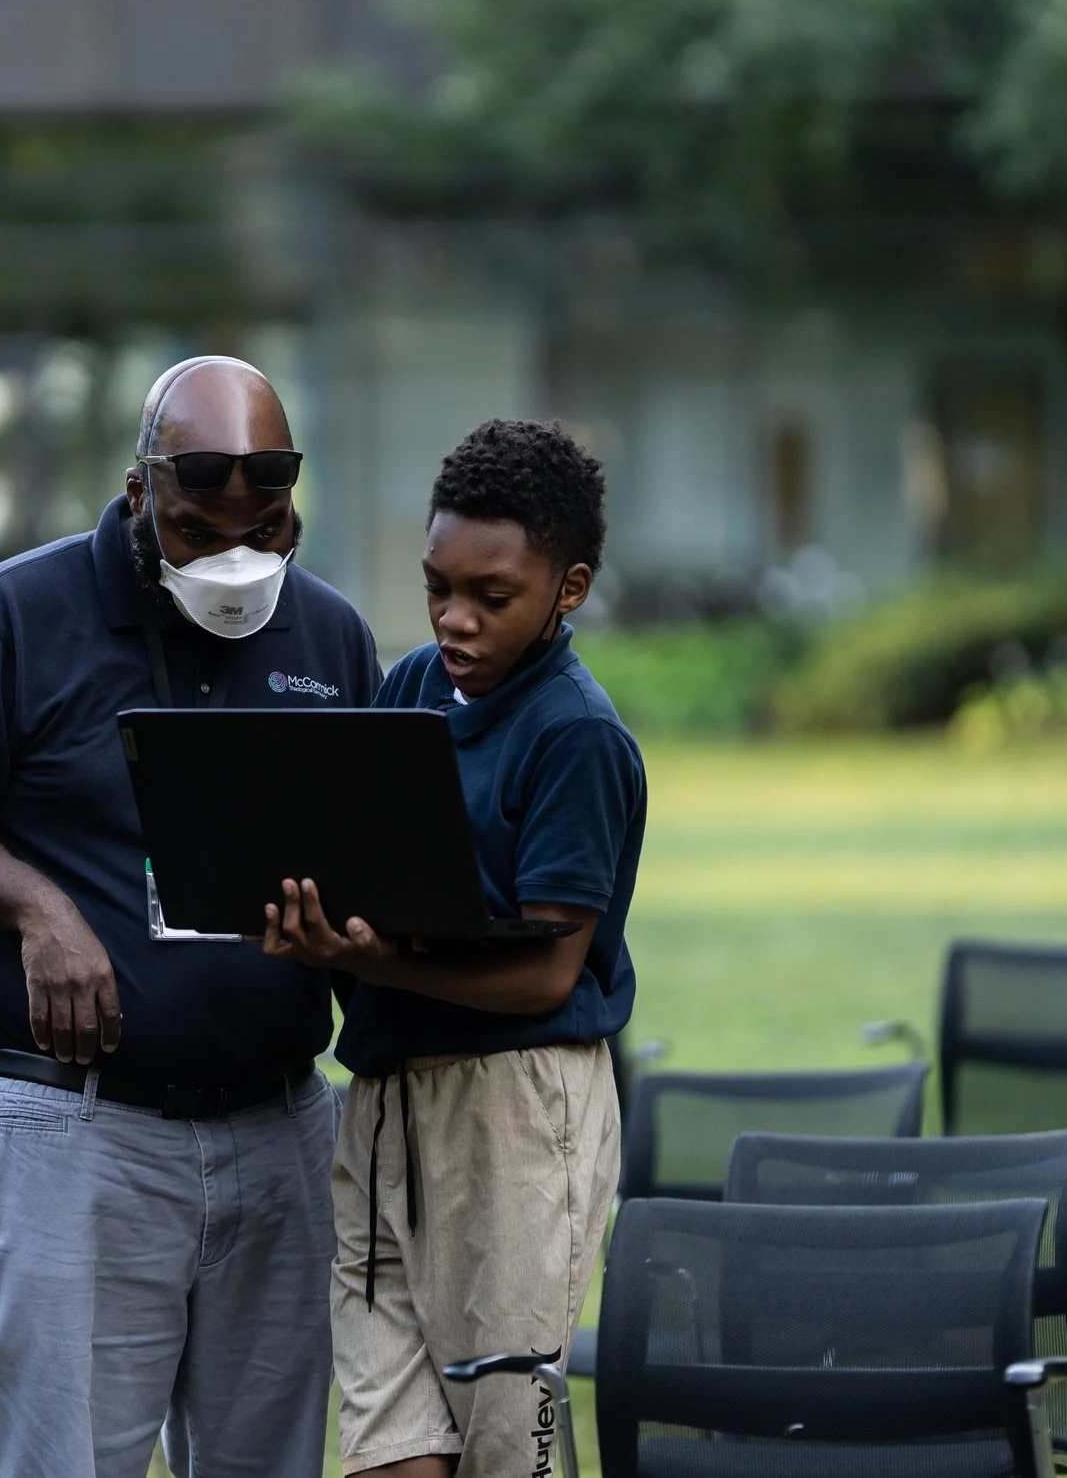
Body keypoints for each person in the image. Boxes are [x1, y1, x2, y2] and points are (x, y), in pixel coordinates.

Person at [0, 356, 383, 1478]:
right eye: (204, 532)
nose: (238, 559)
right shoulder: (8, 620)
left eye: (267, 530)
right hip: (72, 1130)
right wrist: (39, 907)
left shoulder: (329, 637)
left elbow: (366, 853)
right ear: (139, 490)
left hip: (278, 1124)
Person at [263, 418, 644, 1478]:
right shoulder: (411, 690)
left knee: (501, 1447)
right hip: (383, 1100)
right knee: (388, 1439)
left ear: (567, 589)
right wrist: (320, 932)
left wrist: (373, 962)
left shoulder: (575, 734)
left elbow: (547, 970)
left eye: (491, 594)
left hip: (517, 1112)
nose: (453, 617)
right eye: (436, 585)